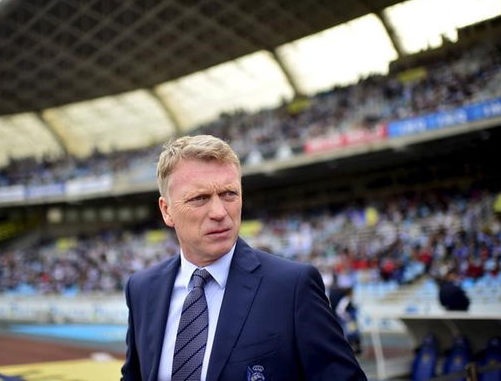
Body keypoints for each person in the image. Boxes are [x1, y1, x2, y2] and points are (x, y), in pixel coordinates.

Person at [121, 135, 366, 381]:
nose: (219, 212)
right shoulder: (142, 289)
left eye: (229, 194)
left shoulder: (292, 287)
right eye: (199, 198)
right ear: (167, 210)